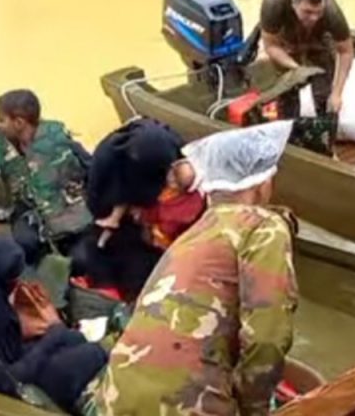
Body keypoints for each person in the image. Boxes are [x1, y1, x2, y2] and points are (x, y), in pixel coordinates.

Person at [88, 121, 299, 416]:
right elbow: (266, 336)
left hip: (115, 398)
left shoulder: (195, 232)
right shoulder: (263, 227)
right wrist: (255, 408)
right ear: (262, 185)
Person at [0, 234, 107, 410]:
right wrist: (53, 337)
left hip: (16, 357)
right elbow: (4, 379)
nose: (12, 289)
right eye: (8, 283)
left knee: (73, 341)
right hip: (9, 379)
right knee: (81, 358)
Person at [0, 89, 92, 263]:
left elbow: (94, 169)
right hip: (28, 210)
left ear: (18, 122)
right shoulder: (4, 144)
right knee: (26, 245)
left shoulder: (59, 142)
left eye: (2, 120)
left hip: (66, 210)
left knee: (81, 259)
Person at [76, 118, 185, 300]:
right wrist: (118, 216)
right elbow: (100, 198)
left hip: (153, 223)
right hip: (116, 226)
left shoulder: (168, 148)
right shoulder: (108, 159)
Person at [260, 0, 354, 116]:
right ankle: (288, 118)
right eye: (308, 12)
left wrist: (336, 93)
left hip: (319, 38)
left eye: (318, 12)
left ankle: (322, 117)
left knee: (324, 91)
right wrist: (297, 69)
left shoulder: (331, 12)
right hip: (286, 38)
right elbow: (271, 46)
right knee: (287, 91)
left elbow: (346, 51)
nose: (314, 17)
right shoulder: (274, 4)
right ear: (293, 4)